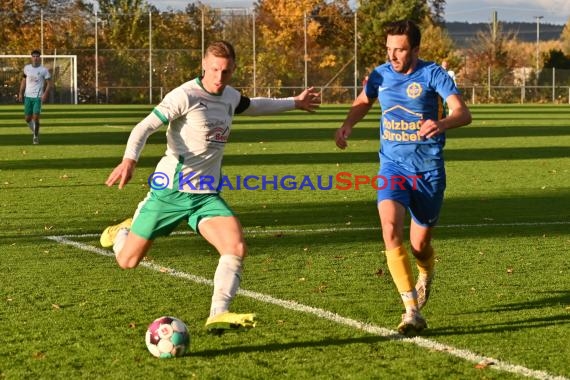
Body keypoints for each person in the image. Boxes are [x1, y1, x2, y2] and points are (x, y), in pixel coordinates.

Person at [100, 40, 321, 334]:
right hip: (171, 192)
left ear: (233, 70)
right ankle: (123, 231)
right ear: (204, 65)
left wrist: (295, 102)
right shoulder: (185, 95)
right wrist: (129, 160)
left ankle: (219, 313)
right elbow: (144, 127)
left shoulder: (229, 96)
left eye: (226, 71)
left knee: (236, 246)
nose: (219, 77)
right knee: (127, 261)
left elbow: (253, 105)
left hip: (205, 196)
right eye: (215, 69)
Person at [334, 20, 471, 335]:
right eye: (389, 49)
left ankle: (426, 270)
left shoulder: (433, 74)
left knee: (420, 244)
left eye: (400, 49)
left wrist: (442, 123)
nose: (393, 55)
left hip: (428, 171)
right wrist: (348, 125)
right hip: (392, 167)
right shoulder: (380, 74)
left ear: (416, 49)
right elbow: (364, 101)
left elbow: (463, 113)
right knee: (389, 228)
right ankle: (411, 311)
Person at [17, 50, 52, 145]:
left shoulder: (44, 70)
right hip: (27, 96)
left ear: (40, 58)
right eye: (34, 56)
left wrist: (45, 94)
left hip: (38, 97)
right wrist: (20, 93)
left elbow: (49, 83)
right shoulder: (27, 68)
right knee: (28, 119)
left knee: (35, 117)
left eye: (37, 56)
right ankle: (35, 131)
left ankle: (35, 136)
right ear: (31, 58)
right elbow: (23, 81)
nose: (35, 58)